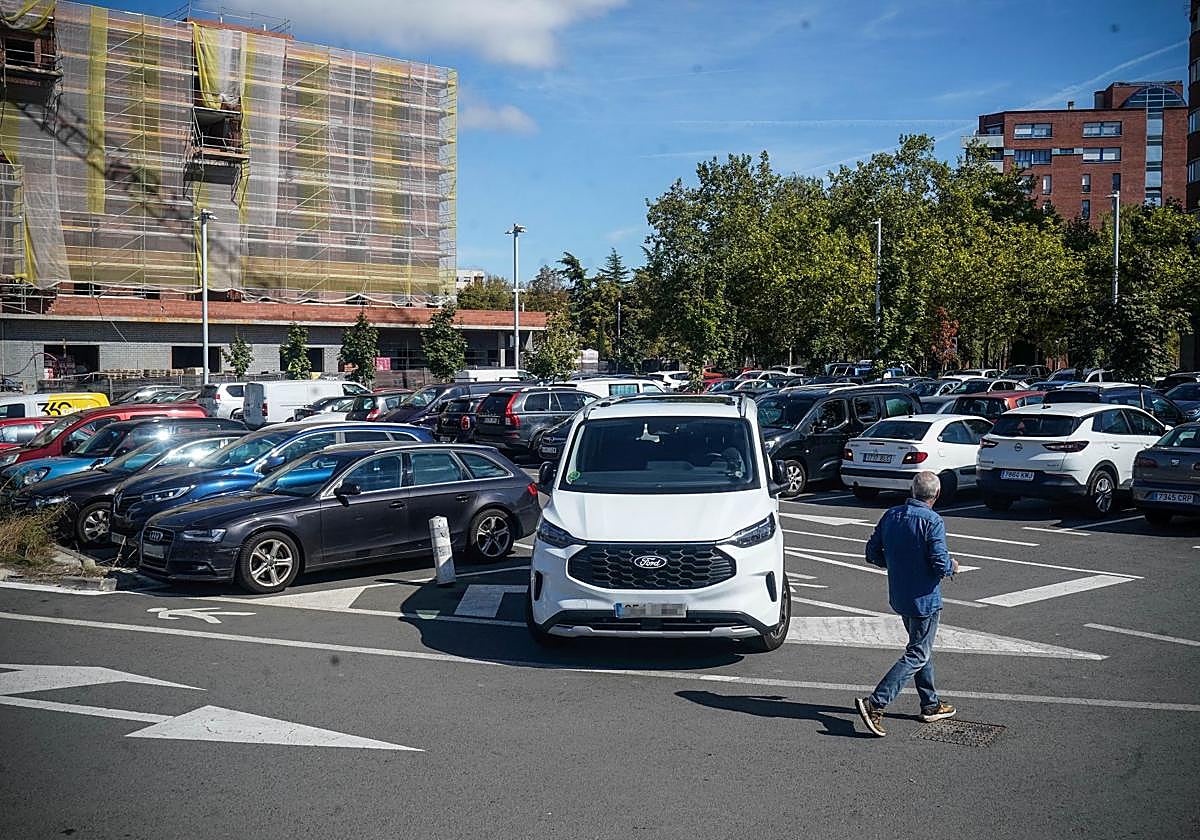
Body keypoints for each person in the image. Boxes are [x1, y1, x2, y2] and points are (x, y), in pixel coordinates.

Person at [855, 471, 959, 737]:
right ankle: (876, 703)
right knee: (918, 653)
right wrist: (952, 567)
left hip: (900, 595)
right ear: (936, 495)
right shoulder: (933, 521)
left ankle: (931, 704)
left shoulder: (891, 515)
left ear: (912, 491)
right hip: (925, 599)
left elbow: (871, 553)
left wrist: (897, 565)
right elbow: (938, 562)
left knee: (920, 648)